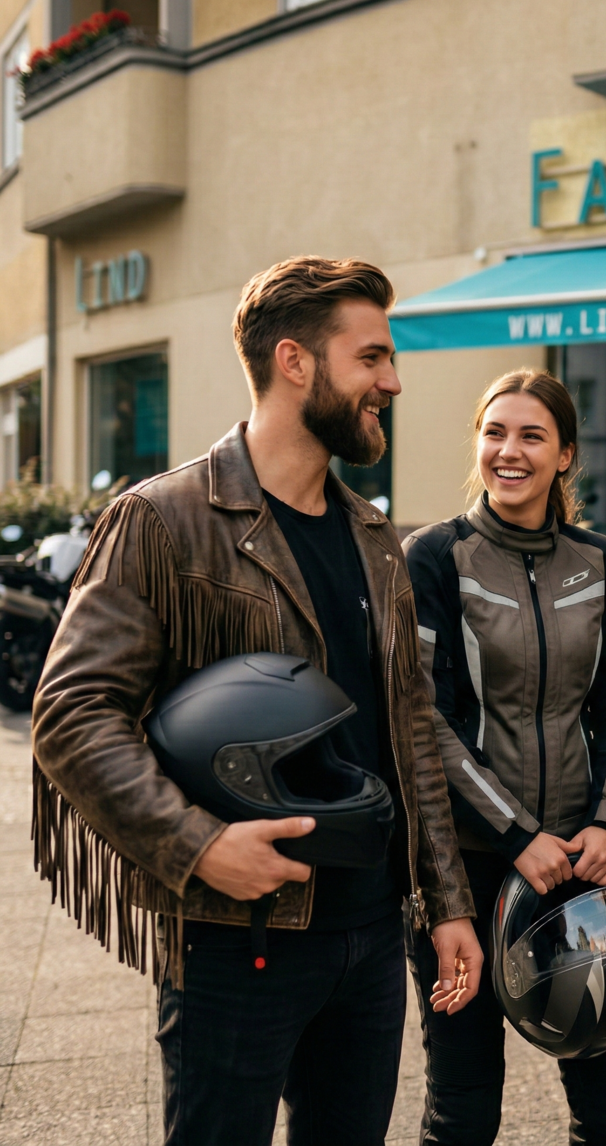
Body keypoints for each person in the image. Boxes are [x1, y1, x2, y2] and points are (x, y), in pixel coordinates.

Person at [31, 257, 482, 1146]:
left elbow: (412, 733)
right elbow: (73, 711)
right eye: (373, 358)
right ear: (296, 361)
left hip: (369, 939)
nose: (392, 381)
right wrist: (199, 846)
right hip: (236, 939)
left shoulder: (376, 537)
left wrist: (447, 900)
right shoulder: (164, 518)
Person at [403, 368, 606, 1145]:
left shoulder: (599, 561)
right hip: (466, 871)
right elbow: (424, 720)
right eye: (495, 433)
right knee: (464, 1105)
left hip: (578, 865)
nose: (509, 451)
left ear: (565, 455)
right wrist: (516, 838)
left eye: (531, 436)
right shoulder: (434, 556)